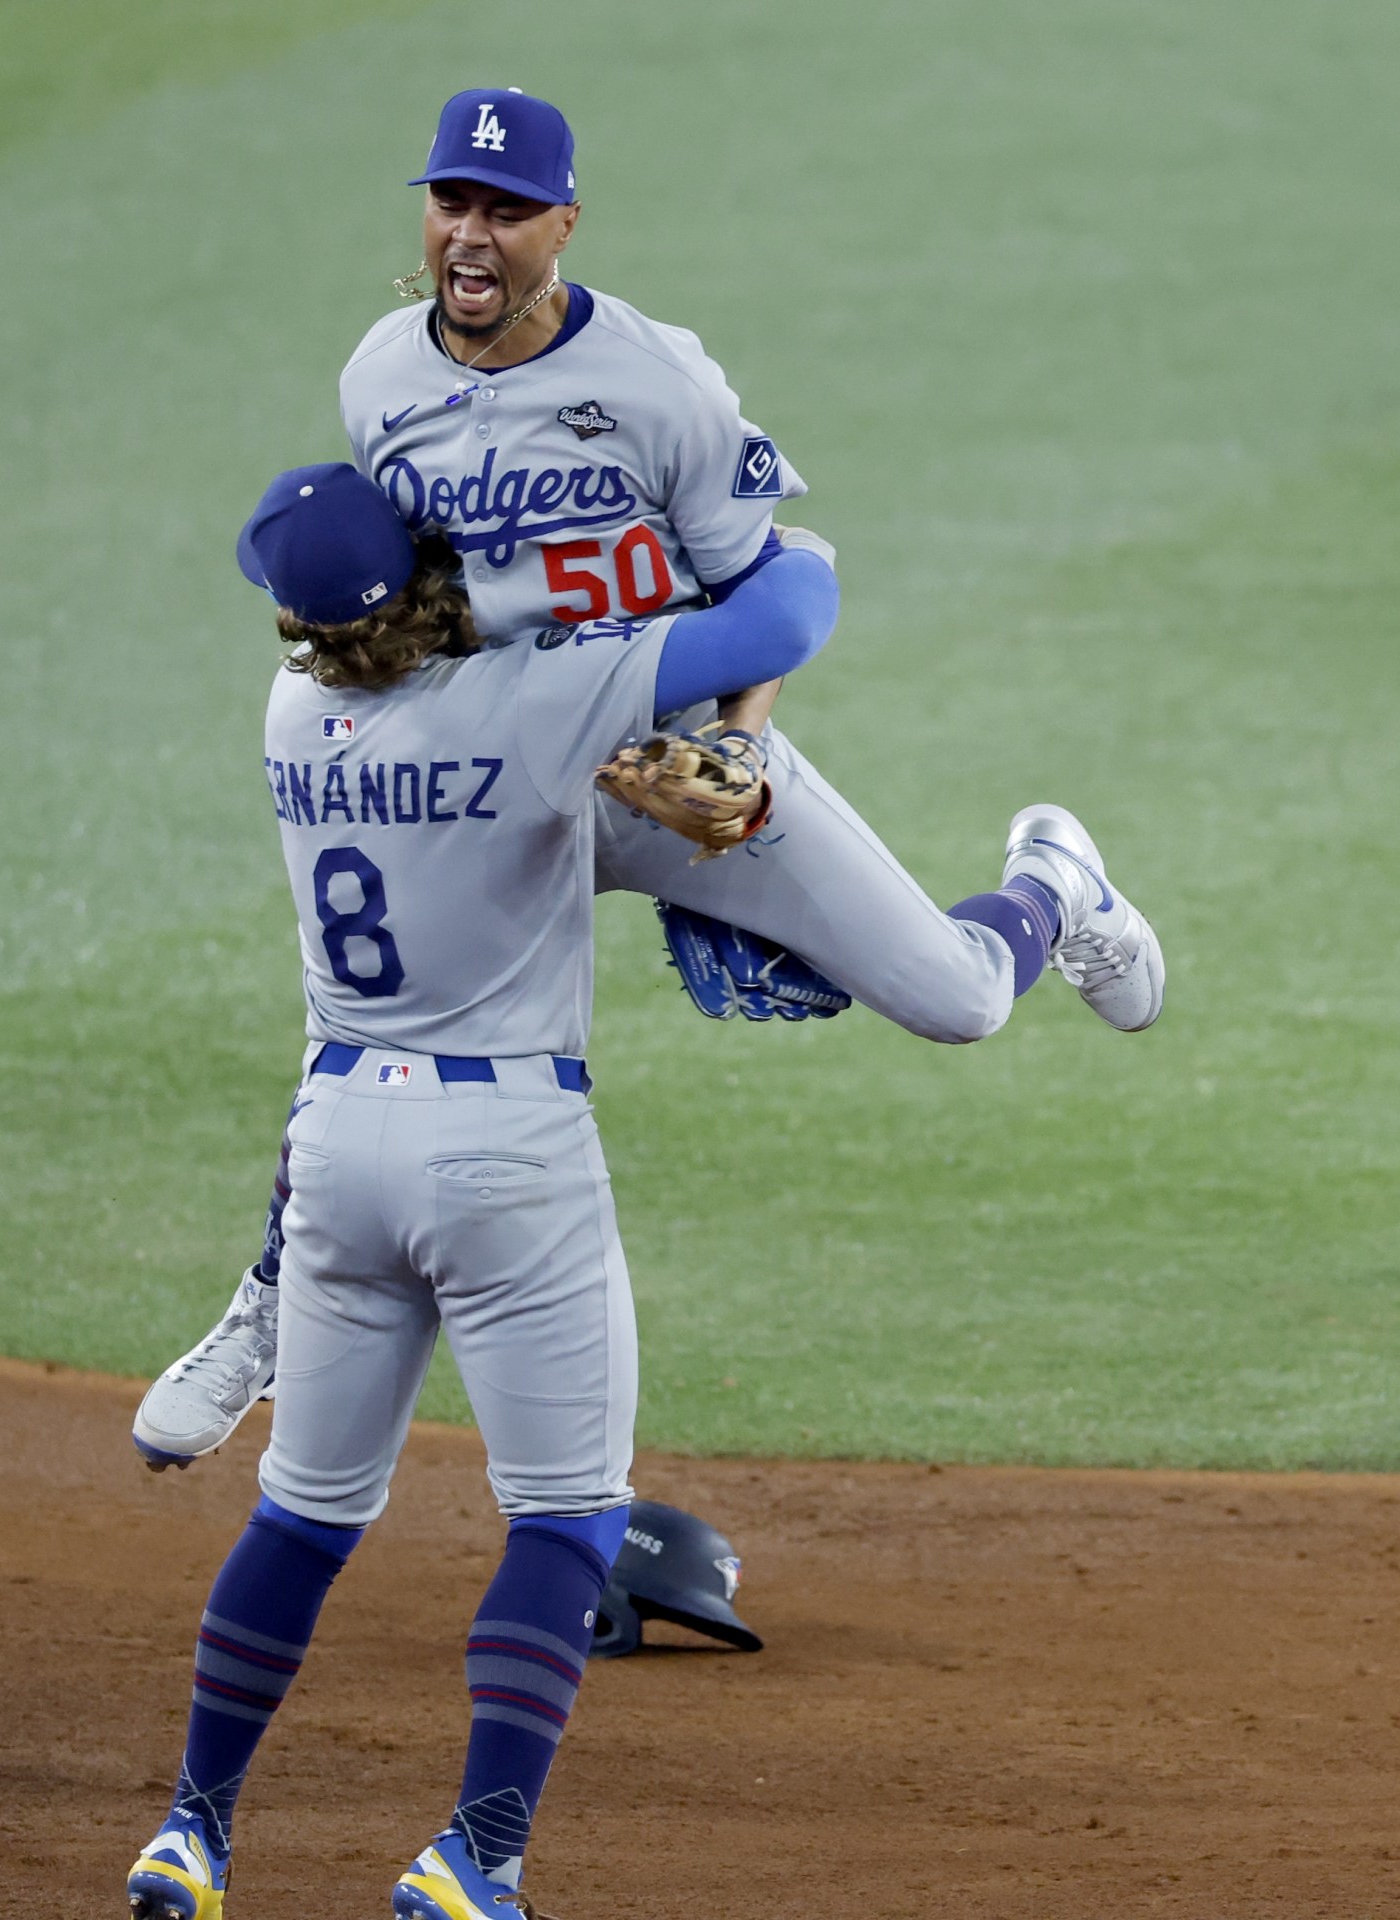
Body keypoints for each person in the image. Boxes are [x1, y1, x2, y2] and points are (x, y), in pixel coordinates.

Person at [131, 84, 1164, 1470]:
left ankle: (1055, 886)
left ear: (565, 222)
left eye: (507, 209)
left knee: (958, 1001)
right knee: (376, 1019)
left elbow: (774, 579)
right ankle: (269, 1307)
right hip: (485, 767)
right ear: (425, 218)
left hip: (657, 752)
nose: (475, 234)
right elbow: (400, 598)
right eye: (453, 203)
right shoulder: (381, 381)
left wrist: (736, 742)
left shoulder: (657, 384)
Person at [129, 464, 1097, 1917]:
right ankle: (478, 1858)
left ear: (296, 619)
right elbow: (792, 595)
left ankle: (191, 1834)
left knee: (305, 1522)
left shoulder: (292, 719)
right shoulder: (544, 705)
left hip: (339, 1143)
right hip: (504, 1153)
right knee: (568, 1522)